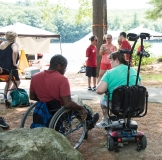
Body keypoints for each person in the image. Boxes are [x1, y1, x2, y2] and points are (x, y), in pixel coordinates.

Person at [30, 54, 99, 129]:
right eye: (65, 68)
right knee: (82, 107)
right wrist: (81, 108)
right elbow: (67, 104)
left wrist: (45, 100)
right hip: (58, 110)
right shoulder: (62, 79)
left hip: (43, 108)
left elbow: (32, 96)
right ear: (59, 66)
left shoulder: (35, 77)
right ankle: (90, 123)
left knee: (74, 99)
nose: (65, 71)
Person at [96, 51, 141, 128]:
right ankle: (128, 120)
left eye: (111, 60)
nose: (110, 62)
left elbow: (99, 90)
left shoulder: (110, 73)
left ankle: (106, 120)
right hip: (132, 103)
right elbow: (140, 87)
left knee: (103, 100)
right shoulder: (134, 71)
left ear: (116, 60)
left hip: (116, 104)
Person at [0, 31, 20, 99]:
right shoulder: (14, 44)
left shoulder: (2, 44)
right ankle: (9, 95)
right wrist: (14, 63)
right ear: (14, 37)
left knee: (9, 81)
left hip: (2, 68)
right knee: (17, 82)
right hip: (10, 67)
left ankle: (4, 96)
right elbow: (15, 51)